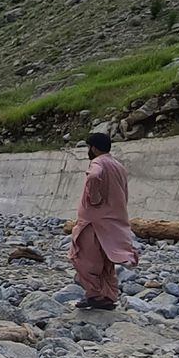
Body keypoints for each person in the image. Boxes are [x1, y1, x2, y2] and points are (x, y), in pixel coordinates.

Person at [70, 132, 138, 311]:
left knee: (84, 259)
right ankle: (109, 295)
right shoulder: (118, 166)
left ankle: (95, 295)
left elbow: (94, 177)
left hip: (94, 223)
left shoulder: (98, 163)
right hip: (113, 220)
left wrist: (94, 198)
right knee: (107, 261)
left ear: (93, 148)